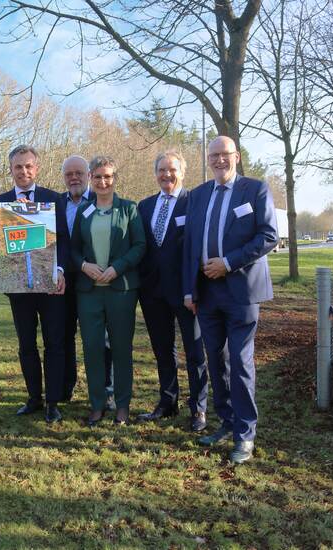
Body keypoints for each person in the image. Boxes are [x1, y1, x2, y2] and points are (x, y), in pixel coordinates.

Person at [183, 135, 278, 464]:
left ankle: (245, 434)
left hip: (241, 292)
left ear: (236, 156)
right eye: (213, 155)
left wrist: (228, 262)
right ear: (208, 159)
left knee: (240, 362)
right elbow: (191, 246)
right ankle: (226, 421)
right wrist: (189, 290)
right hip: (207, 294)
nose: (219, 160)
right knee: (216, 361)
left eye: (225, 154)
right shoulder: (197, 195)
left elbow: (268, 236)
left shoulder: (255, 189)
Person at [0, 145, 68, 423]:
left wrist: (59, 270)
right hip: (18, 288)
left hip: (50, 286)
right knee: (26, 344)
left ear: (36, 168)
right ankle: (34, 397)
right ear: (10, 170)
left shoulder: (54, 199)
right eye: (18, 167)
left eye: (28, 166)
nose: (23, 171)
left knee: (54, 344)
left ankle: (53, 402)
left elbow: (65, 240)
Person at [70, 156, 145, 426]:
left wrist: (117, 267)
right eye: (98, 176)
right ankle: (97, 404)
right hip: (89, 291)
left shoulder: (129, 209)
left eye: (108, 176)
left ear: (115, 178)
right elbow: (73, 248)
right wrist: (83, 265)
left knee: (121, 348)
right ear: (91, 178)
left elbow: (139, 246)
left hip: (120, 290)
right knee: (92, 348)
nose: (103, 182)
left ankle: (122, 405)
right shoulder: (85, 210)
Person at [137, 151, 208, 432]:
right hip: (152, 292)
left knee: (195, 352)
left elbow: (201, 249)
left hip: (186, 292)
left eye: (172, 170)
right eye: (161, 170)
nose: (167, 175)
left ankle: (198, 409)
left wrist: (196, 289)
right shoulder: (144, 206)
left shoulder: (195, 203)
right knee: (162, 350)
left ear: (183, 172)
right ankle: (167, 403)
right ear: (155, 174)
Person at [60, 155, 115, 408]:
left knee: (101, 338)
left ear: (89, 176)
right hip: (61, 281)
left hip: (94, 282)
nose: (74, 178)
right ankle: (65, 388)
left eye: (79, 173)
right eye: (69, 174)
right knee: (63, 336)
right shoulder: (55, 203)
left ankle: (107, 389)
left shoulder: (102, 201)